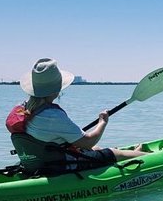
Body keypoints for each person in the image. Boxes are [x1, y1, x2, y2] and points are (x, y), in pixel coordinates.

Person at [10, 58, 147, 174]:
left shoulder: (22, 109)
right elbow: (88, 142)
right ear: (57, 89)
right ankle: (149, 158)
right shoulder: (52, 115)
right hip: (58, 165)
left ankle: (133, 154)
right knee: (112, 152)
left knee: (97, 150)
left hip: (39, 162)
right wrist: (102, 122)